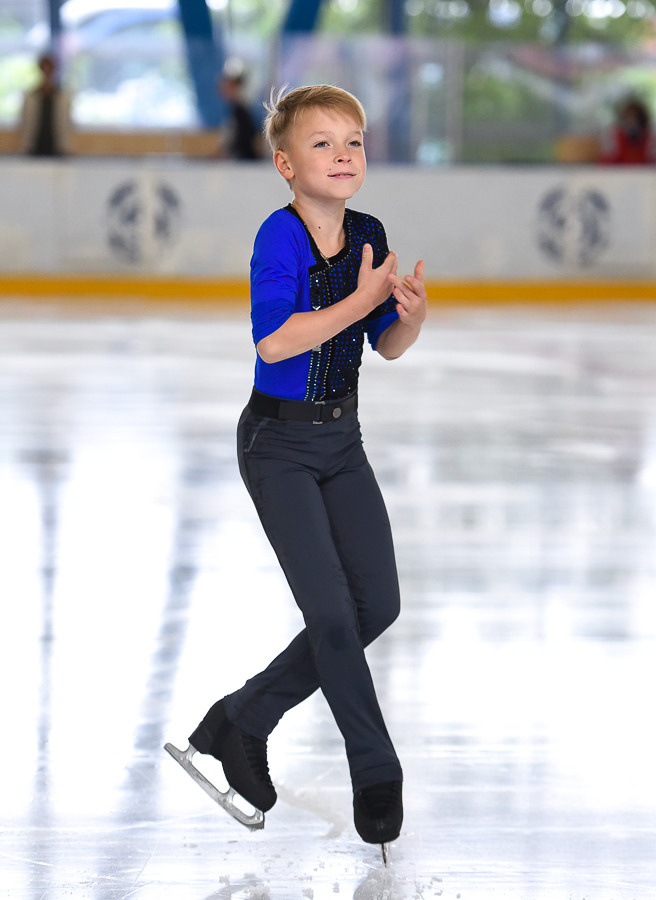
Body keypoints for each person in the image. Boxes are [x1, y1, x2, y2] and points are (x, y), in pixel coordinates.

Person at [168, 84, 427, 853]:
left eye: (353, 139)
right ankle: (375, 773)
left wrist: (409, 315)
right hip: (276, 447)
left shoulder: (369, 233)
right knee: (334, 619)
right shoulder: (277, 238)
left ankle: (242, 717)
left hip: (342, 442)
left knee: (375, 605)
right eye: (323, 143)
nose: (344, 154)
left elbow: (384, 344)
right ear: (285, 163)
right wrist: (361, 300)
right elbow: (275, 343)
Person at [19, 51, 73, 157]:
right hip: (35, 148)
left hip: (57, 149)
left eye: (50, 68)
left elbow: (67, 125)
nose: (47, 71)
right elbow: (25, 124)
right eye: (45, 67)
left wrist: (66, 146)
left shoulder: (62, 98)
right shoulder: (31, 97)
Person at [216, 63, 262, 160]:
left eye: (227, 86)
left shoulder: (242, 111)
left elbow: (243, 139)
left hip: (244, 162)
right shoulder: (234, 109)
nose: (223, 89)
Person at [599, 96, 656, 165]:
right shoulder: (616, 135)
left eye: (634, 117)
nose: (631, 121)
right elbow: (608, 159)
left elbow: (652, 159)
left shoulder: (648, 136)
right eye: (628, 117)